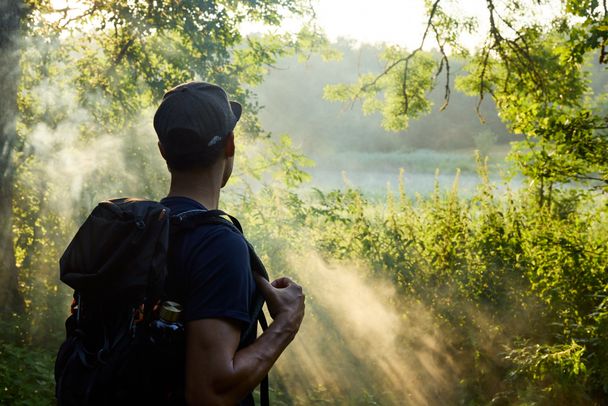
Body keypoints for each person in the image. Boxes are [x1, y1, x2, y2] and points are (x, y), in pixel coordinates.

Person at [153, 81, 305, 405]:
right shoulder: (218, 245)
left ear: (163, 150)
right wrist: (286, 324)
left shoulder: (144, 229)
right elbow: (210, 392)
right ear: (230, 145)